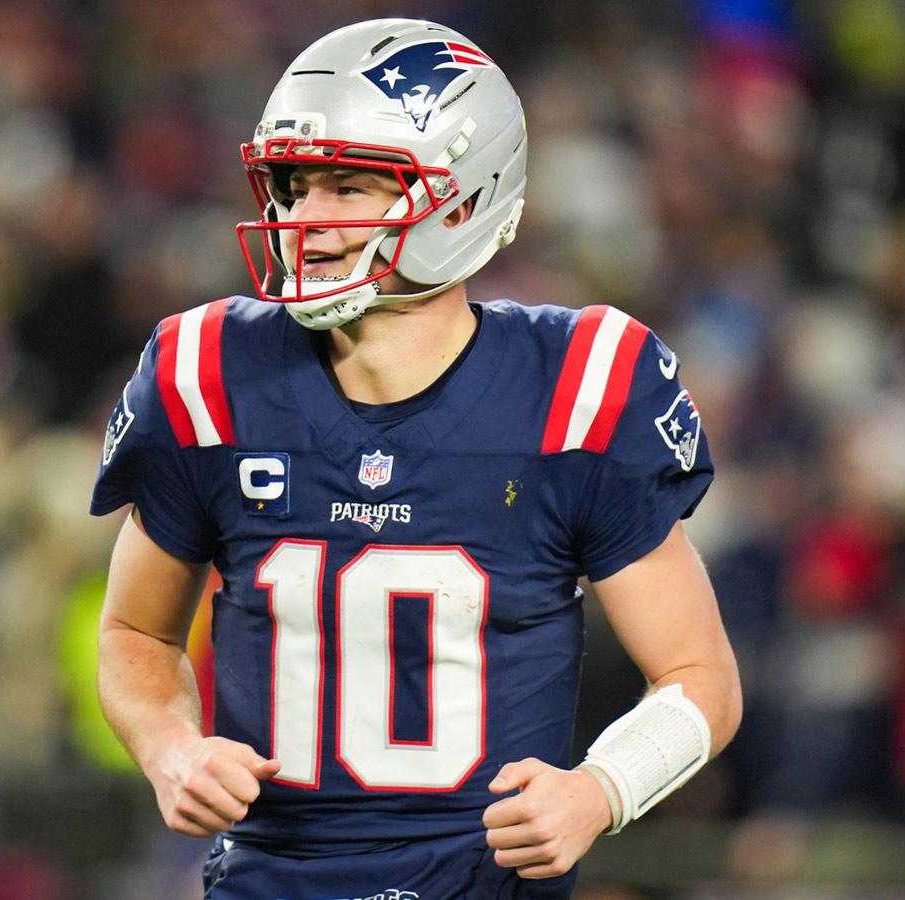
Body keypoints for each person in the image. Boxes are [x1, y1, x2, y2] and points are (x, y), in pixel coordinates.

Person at [90, 18, 741, 900]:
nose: (305, 224)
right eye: (293, 186)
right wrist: (172, 751)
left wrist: (600, 791)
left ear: (462, 198)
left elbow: (701, 679)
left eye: (350, 187)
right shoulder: (208, 375)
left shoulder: (579, 391)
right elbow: (135, 633)